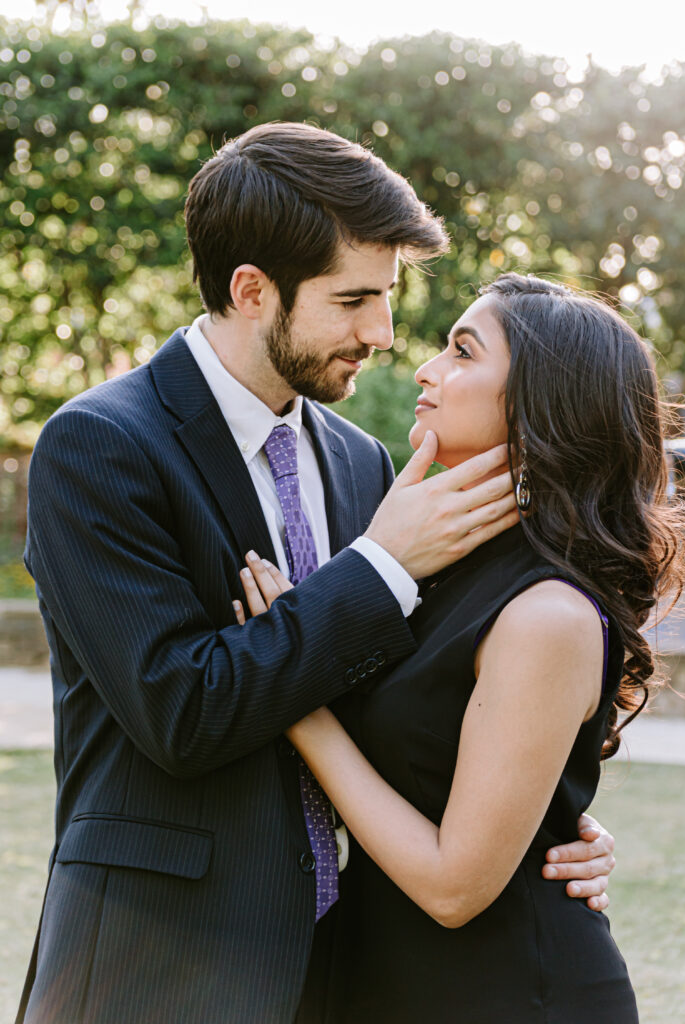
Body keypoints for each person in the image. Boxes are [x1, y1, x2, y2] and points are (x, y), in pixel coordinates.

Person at [18, 126, 616, 1024]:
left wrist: (537, 820)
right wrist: (379, 568)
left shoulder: (365, 465)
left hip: (341, 966)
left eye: (387, 297)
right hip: (157, 967)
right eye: (353, 300)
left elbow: (408, 703)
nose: (381, 333)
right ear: (252, 291)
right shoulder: (101, 445)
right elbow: (179, 711)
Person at [239, 273, 685, 1023]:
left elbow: (455, 886)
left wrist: (297, 698)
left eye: (461, 351)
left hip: (509, 992)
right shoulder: (435, 565)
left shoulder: (549, 613)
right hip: (383, 981)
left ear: (539, 402)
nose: (425, 367)